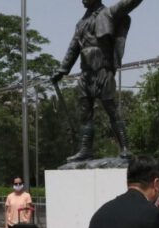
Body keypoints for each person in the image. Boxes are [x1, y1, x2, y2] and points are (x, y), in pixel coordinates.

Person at [52, 0, 143, 162]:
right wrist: (62, 70)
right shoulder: (81, 23)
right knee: (85, 114)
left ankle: (125, 148)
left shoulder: (109, 13)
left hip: (103, 70)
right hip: (85, 73)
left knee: (111, 110)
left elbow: (129, 3)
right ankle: (85, 150)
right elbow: (73, 48)